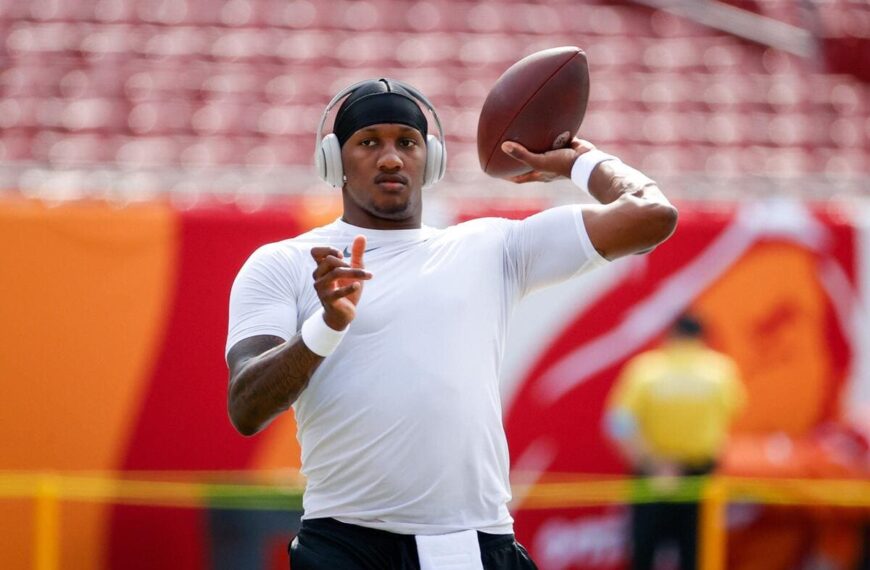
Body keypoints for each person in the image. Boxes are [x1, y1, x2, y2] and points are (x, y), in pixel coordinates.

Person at [225, 77, 678, 570]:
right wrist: (327, 326)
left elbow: (652, 215)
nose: (392, 158)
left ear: (432, 158)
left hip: (478, 541)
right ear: (333, 159)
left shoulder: (491, 246)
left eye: (407, 141)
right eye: (369, 142)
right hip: (348, 544)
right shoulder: (285, 262)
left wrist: (577, 162)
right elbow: (246, 408)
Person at [604, 313, 746, 570]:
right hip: (700, 476)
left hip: (653, 474)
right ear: (702, 338)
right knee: (698, 555)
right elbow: (732, 414)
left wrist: (653, 463)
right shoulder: (720, 372)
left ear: (670, 335)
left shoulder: (646, 370)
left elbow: (618, 424)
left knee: (644, 553)